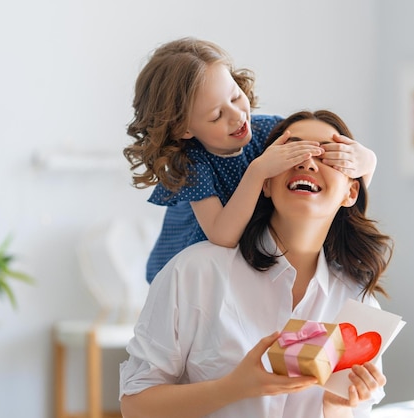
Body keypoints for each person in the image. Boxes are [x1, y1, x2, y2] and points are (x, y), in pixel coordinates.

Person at [119, 110, 393, 418]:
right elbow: (135, 406)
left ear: (351, 191)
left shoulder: (359, 303)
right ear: (265, 183)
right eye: (292, 151)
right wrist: (235, 387)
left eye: (330, 155)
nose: (307, 162)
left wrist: (336, 406)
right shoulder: (196, 272)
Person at [123, 37, 378, 283]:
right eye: (216, 115)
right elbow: (222, 236)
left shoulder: (269, 130)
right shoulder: (191, 164)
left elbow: (341, 194)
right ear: (183, 129)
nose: (237, 117)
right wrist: (257, 172)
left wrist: (368, 161)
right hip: (198, 269)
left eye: (235, 97)